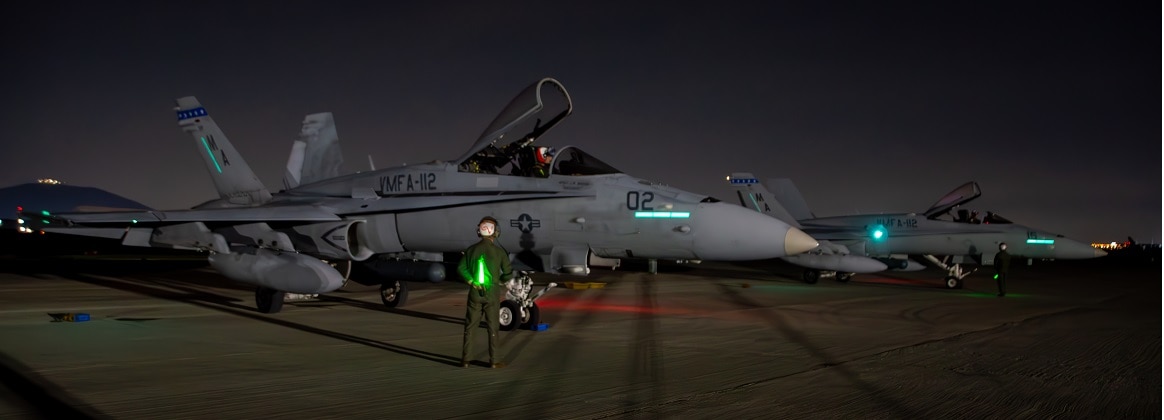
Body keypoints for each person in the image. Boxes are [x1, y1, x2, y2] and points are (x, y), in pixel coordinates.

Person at [458, 216, 513, 368]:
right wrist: (499, 281)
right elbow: (508, 273)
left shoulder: (471, 250)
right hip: (492, 292)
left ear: (479, 230)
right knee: (492, 327)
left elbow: (461, 269)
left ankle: (466, 359)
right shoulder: (499, 252)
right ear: (496, 232)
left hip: (475, 292)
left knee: (470, 326)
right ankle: (494, 361)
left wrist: (472, 281)